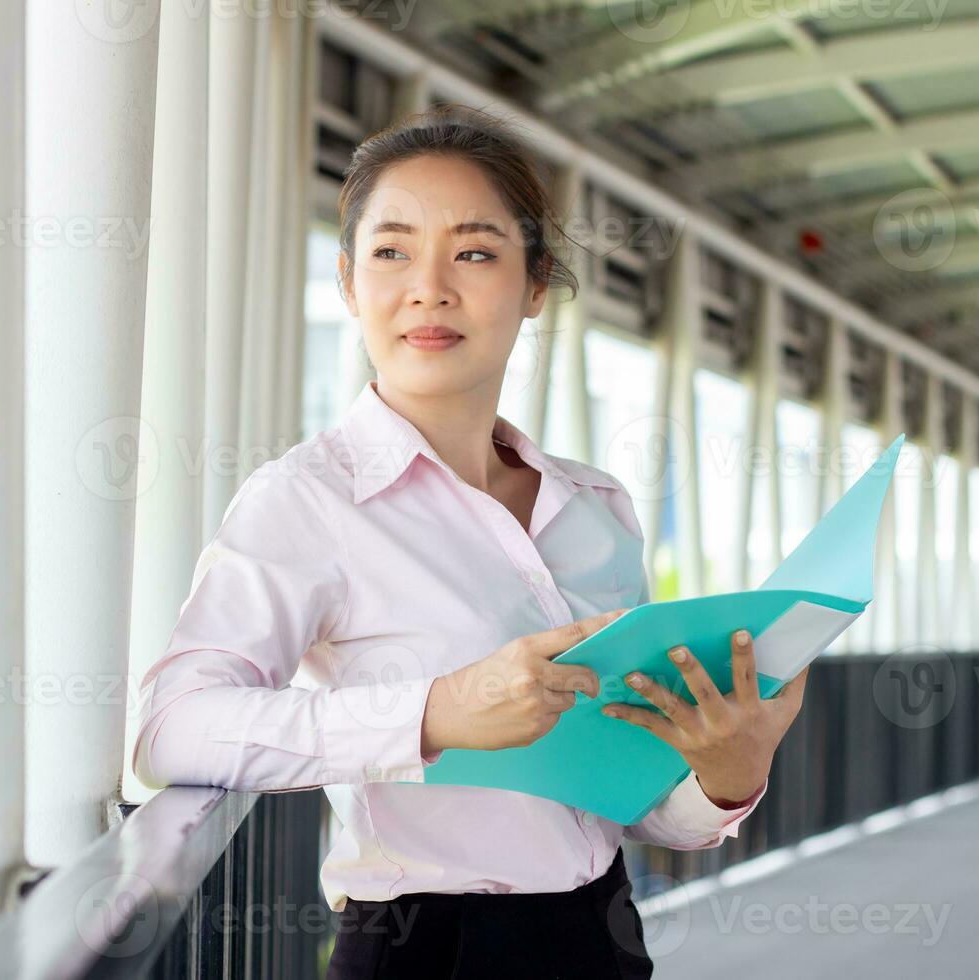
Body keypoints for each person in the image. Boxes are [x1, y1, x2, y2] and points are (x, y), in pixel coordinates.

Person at [132, 103, 810, 979]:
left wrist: (728, 771)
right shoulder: (308, 503)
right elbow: (172, 730)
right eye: (391, 251)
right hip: (426, 950)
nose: (429, 286)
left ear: (536, 287)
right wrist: (437, 711)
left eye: (476, 252)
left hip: (601, 937)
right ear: (348, 283)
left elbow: (640, 811)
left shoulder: (597, 508)